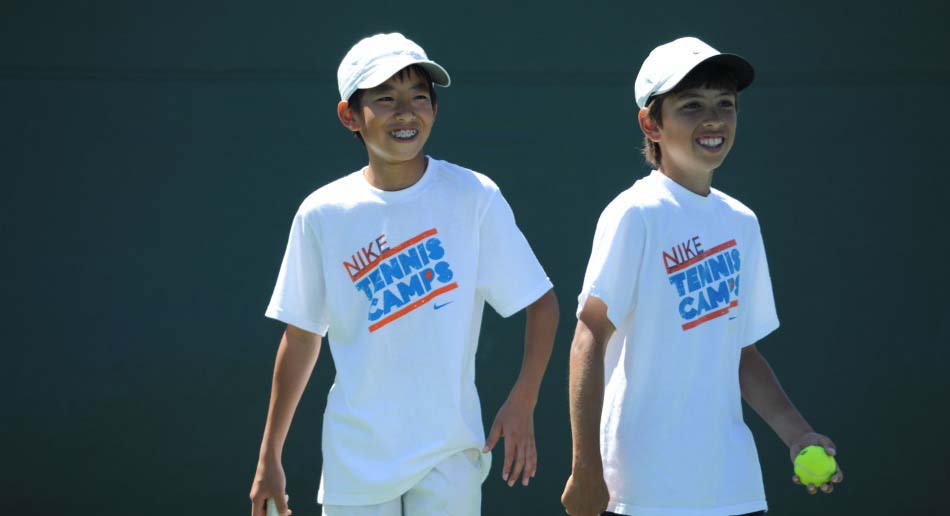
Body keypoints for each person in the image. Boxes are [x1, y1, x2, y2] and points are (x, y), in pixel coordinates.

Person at [248, 33, 559, 516]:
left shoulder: (473, 196)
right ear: (350, 115)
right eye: (386, 99)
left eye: (419, 96)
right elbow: (302, 335)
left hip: (452, 454)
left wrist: (523, 400)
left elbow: (541, 303)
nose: (406, 112)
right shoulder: (321, 213)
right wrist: (270, 455)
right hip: (356, 462)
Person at [561, 37, 844, 516]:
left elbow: (742, 353)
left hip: (732, 487)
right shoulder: (635, 213)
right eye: (691, 106)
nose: (713, 119)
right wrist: (586, 466)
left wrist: (797, 434)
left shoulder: (741, 222)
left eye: (725, 104)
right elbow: (589, 335)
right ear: (651, 124)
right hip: (641, 490)